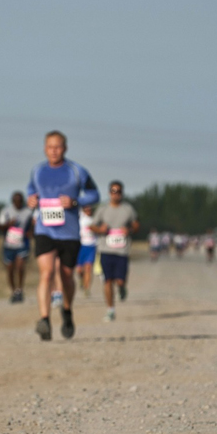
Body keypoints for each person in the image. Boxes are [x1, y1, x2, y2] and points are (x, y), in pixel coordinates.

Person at [27, 131, 100, 340]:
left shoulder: (77, 171)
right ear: (44, 148)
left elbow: (94, 194)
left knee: (66, 276)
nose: (54, 151)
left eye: (58, 147)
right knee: (47, 273)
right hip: (45, 230)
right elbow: (30, 191)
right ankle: (44, 320)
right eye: (50, 147)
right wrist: (31, 200)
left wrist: (76, 202)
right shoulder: (37, 171)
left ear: (65, 148)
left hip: (69, 233)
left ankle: (67, 311)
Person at [91, 181, 139, 322]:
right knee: (107, 280)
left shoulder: (128, 209)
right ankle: (110, 310)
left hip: (122, 251)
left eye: (118, 191)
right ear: (109, 192)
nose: (116, 194)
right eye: (113, 191)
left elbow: (136, 225)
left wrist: (129, 230)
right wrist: (100, 230)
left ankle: (122, 287)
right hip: (105, 249)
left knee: (119, 280)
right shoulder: (103, 209)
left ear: (122, 193)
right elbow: (92, 226)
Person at [0, 191, 33, 302]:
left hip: (22, 244)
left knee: (20, 266)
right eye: (16, 201)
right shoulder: (6, 211)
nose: (18, 203)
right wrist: (9, 224)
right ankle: (13, 291)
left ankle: (20, 290)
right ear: (12, 201)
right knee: (10, 269)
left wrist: (30, 232)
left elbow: (33, 225)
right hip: (9, 244)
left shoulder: (28, 212)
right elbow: (0, 226)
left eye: (20, 201)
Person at [75, 204, 97, 296]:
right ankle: (81, 279)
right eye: (86, 208)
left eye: (90, 208)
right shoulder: (79, 218)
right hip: (80, 246)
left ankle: (87, 289)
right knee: (79, 270)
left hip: (91, 246)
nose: (88, 209)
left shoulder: (95, 219)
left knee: (88, 268)